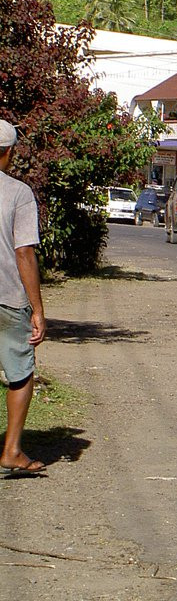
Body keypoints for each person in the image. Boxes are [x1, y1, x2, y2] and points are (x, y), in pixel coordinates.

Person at [0, 120, 46, 475]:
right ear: (8, 153)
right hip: (7, 298)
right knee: (20, 372)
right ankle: (12, 451)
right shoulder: (18, 193)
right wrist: (38, 310)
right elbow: (24, 253)